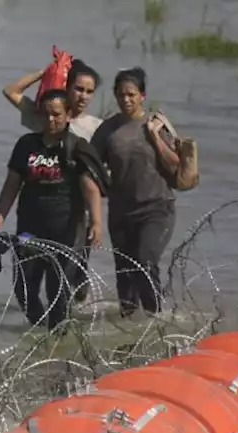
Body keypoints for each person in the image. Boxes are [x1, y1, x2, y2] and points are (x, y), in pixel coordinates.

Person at [0, 89, 106, 330]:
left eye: (56, 114)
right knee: (24, 289)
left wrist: (96, 223)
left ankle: (58, 340)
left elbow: (91, 189)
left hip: (66, 232)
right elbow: (11, 186)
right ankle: (40, 335)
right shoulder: (26, 145)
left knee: (58, 292)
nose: (51, 120)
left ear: (68, 115)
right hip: (29, 230)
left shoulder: (76, 147)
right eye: (46, 114)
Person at [90, 67, 180, 318]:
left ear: (142, 95)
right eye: (120, 95)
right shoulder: (108, 130)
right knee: (125, 274)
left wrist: (155, 137)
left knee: (145, 262)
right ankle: (129, 328)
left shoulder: (157, 124)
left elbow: (177, 165)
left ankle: (157, 318)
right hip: (121, 212)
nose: (125, 100)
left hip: (157, 208)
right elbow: (89, 168)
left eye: (131, 94)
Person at [3, 58, 104, 141]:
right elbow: (10, 91)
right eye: (79, 89)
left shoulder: (97, 127)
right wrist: (47, 71)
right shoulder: (46, 117)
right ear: (67, 87)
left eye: (89, 92)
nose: (83, 97)